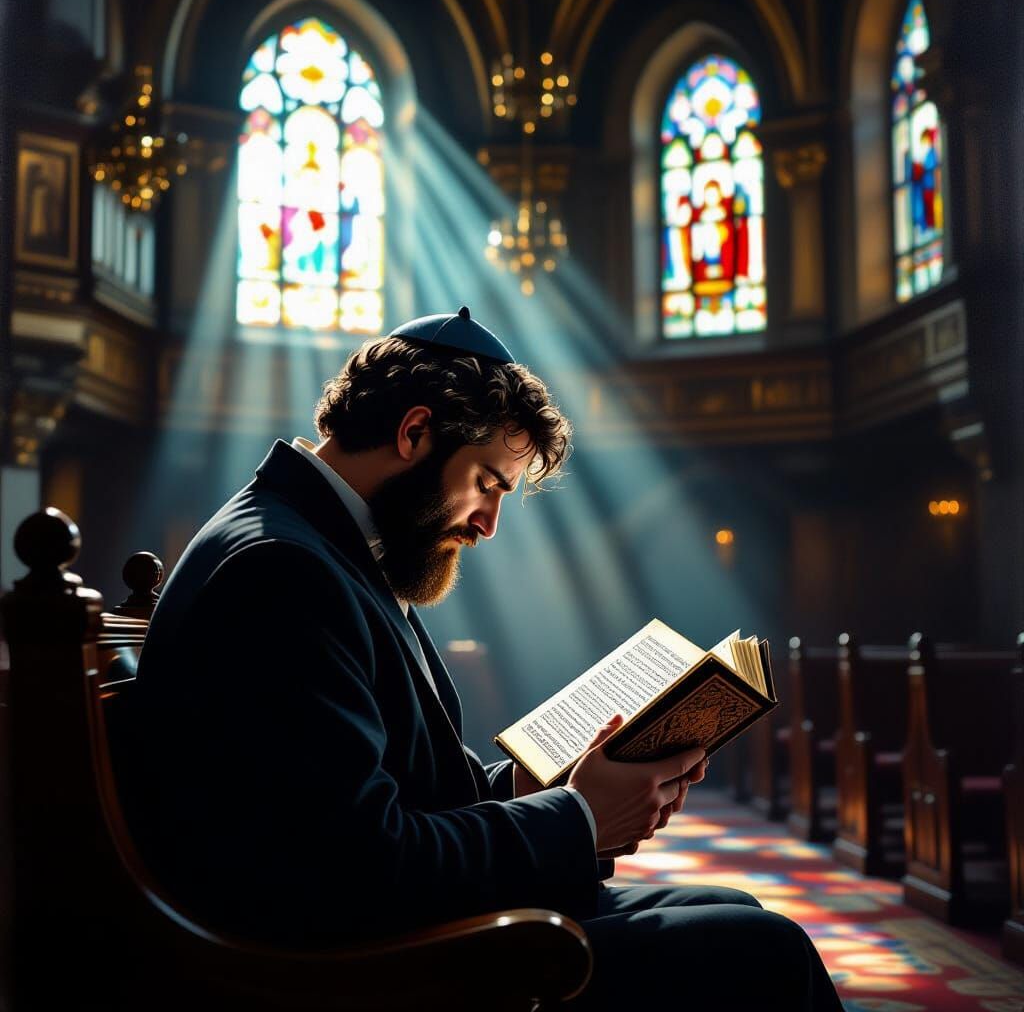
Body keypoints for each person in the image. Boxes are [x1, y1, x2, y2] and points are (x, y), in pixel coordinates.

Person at [133, 307, 844, 1010]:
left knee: (734, 907)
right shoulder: (281, 569)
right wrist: (581, 816)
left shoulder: (323, 547)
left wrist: (543, 781)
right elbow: (358, 868)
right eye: (488, 483)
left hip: (393, 924)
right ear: (415, 432)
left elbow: (401, 791)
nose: (487, 523)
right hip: (356, 967)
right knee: (765, 950)